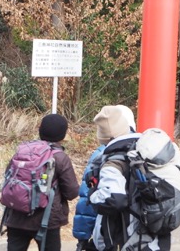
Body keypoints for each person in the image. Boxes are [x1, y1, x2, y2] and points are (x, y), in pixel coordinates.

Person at [4, 113, 80, 251]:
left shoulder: (23, 151)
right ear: (63, 135)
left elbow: (8, 176)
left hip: (16, 216)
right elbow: (72, 192)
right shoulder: (60, 157)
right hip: (46, 220)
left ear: (40, 130)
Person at [72, 106, 136, 251]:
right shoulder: (143, 148)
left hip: (110, 233)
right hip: (143, 233)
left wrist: (82, 236)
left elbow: (85, 199)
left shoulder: (102, 156)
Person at [88, 105, 142, 251]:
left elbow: (115, 200)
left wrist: (92, 195)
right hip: (151, 234)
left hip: (124, 235)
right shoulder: (143, 148)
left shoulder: (112, 163)